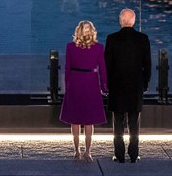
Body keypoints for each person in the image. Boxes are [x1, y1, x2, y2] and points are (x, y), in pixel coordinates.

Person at [104, 8, 151, 163]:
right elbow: (148, 65)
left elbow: (107, 65)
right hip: (135, 87)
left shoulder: (112, 39)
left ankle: (119, 155)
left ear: (121, 21)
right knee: (134, 123)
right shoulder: (143, 39)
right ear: (133, 21)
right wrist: (144, 84)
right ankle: (133, 154)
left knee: (117, 123)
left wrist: (106, 84)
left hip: (117, 87)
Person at [59, 20, 108, 163]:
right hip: (91, 83)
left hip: (75, 82)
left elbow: (67, 68)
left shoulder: (70, 47)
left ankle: (76, 151)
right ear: (92, 31)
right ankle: (88, 151)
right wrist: (104, 86)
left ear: (78, 31)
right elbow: (102, 69)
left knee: (75, 120)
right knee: (89, 121)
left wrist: (67, 86)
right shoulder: (99, 47)